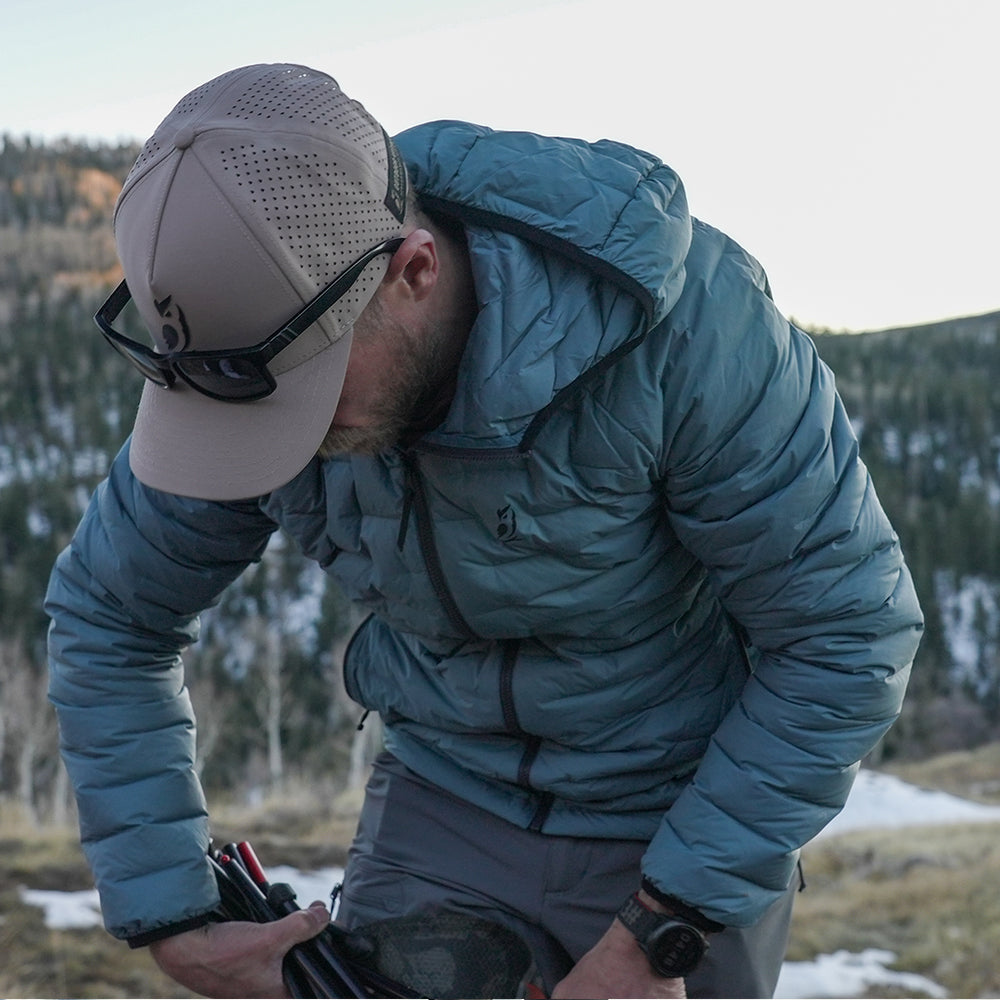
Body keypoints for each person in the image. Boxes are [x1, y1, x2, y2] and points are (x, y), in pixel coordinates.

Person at [46, 62, 923, 999]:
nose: (276, 443)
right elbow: (109, 615)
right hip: (440, 791)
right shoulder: (239, 360)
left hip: (683, 815)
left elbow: (844, 634)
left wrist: (663, 931)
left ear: (413, 271)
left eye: (304, 394)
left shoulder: (692, 331)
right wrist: (171, 913)